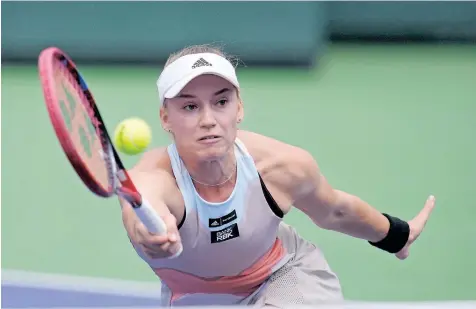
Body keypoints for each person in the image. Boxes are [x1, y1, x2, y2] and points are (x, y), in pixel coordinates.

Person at [119, 44, 436, 307]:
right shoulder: (152, 179)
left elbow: (335, 210)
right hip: (196, 298)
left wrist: (396, 234)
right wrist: (151, 235)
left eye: (221, 102)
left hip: (285, 275)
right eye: (190, 107)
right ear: (165, 117)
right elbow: (144, 213)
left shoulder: (281, 166)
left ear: (239, 108)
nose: (208, 120)